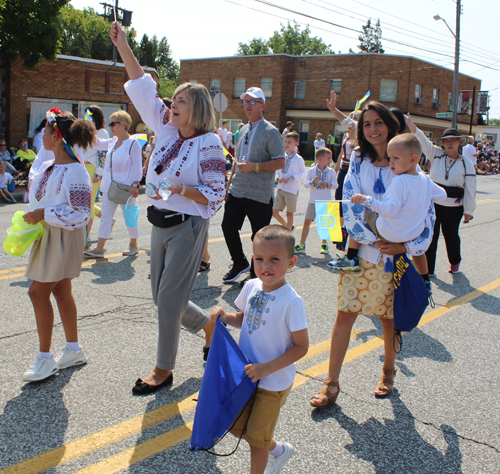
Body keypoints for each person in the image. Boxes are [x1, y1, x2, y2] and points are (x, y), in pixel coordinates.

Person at [110, 21, 225, 394]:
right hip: (158, 223)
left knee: (168, 300)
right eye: (172, 100)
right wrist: (123, 45)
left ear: (197, 110)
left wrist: (181, 188)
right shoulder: (167, 129)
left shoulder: (208, 143)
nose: (171, 105)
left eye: (180, 102)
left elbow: (215, 193)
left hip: (187, 227)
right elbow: (143, 86)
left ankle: (164, 370)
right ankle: (210, 326)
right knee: (161, 296)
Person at [309, 100, 435, 407]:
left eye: (378, 122)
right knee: (345, 315)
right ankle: (332, 383)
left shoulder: (411, 166)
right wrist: (377, 239)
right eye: (366, 124)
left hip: (398, 259)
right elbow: (351, 203)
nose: (372, 129)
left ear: (390, 126)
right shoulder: (357, 158)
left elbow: (425, 214)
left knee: (390, 320)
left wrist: (404, 246)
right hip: (362, 253)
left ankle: (388, 371)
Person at [210, 225, 308, 474]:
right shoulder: (252, 286)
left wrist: (267, 368)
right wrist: (225, 316)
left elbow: (301, 347)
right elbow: (244, 318)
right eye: (260, 259)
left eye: (275, 259)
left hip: (272, 382)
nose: (266, 265)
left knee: (256, 439)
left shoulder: (291, 301)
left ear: (291, 262)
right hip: (247, 376)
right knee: (241, 428)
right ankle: (278, 450)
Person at [21, 108, 94, 382]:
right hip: (50, 235)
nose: (42, 136)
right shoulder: (51, 166)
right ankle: (74, 349)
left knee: (37, 293)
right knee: (62, 291)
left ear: (57, 135)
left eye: (46, 132)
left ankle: (45, 358)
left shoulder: (76, 170)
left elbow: (81, 213)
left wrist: (43, 214)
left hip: (63, 236)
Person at [336, 133, 446, 293]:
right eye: (389, 158)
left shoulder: (399, 181)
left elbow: (389, 210)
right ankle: (425, 279)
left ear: (413, 159)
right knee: (419, 252)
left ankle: (351, 257)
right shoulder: (425, 180)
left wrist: (367, 200)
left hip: (390, 233)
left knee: (362, 214)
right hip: (413, 233)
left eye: (395, 158)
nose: (391, 163)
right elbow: (442, 195)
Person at [221, 86, 285, 283]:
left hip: (259, 194)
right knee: (228, 227)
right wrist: (228, 186)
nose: (247, 105)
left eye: (252, 102)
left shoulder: (271, 132)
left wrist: (255, 166)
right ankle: (239, 262)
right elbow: (237, 161)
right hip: (237, 191)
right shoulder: (243, 129)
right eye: (245, 101)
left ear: (262, 105)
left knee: (258, 238)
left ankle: (256, 275)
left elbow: (280, 162)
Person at [406, 118, 476, 275]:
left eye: (453, 141)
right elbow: (423, 140)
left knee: (451, 236)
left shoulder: (466, 163)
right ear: (443, 143)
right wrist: (411, 125)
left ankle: (455, 262)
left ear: (459, 143)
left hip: (454, 207)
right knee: (430, 235)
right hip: (433, 204)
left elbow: (470, 188)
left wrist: (469, 210)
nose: (450, 144)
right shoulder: (436, 154)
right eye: (447, 141)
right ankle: (428, 269)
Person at [84, 110, 142, 258]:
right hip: (109, 187)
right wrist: (89, 127)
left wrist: (135, 184)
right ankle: (99, 248)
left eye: (113, 124)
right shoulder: (112, 141)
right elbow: (97, 143)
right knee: (106, 218)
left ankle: (133, 244)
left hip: (126, 187)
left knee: (129, 216)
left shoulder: (133, 143)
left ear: (123, 125)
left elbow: (137, 166)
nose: (110, 127)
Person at [294, 147, 338, 255]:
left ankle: (324, 244)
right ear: (320, 159)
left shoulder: (331, 172)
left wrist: (328, 184)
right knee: (307, 222)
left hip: (326, 202)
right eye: (328, 158)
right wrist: (313, 182)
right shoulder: (312, 171)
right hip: (313, 201)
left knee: (324, 224)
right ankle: (302, 244)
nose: (330, 161)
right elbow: (305, 184)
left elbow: (336, 185)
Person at [81, 105, 110, 239]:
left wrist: (99, 173)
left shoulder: (102, 132)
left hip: (93, 169)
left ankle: (85, 236)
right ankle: (107, 219)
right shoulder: (85, 130)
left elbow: (103, 154)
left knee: (88, 202)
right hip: (82, 167)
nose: (87, 117)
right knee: (84, 201)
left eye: (89, 114)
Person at [272, 131, 307, 231]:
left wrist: (292, 177)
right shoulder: (282, 156)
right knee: (274, 213)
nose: (286, 144)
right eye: (286, 141)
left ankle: (288, 232)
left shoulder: (298, 159)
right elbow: (277, 171)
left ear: (296, 143)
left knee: (289, 213)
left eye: (289, 142)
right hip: (281, 189)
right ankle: (289, 227)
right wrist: (278, 178)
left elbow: (304, 174)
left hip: (292, 190)